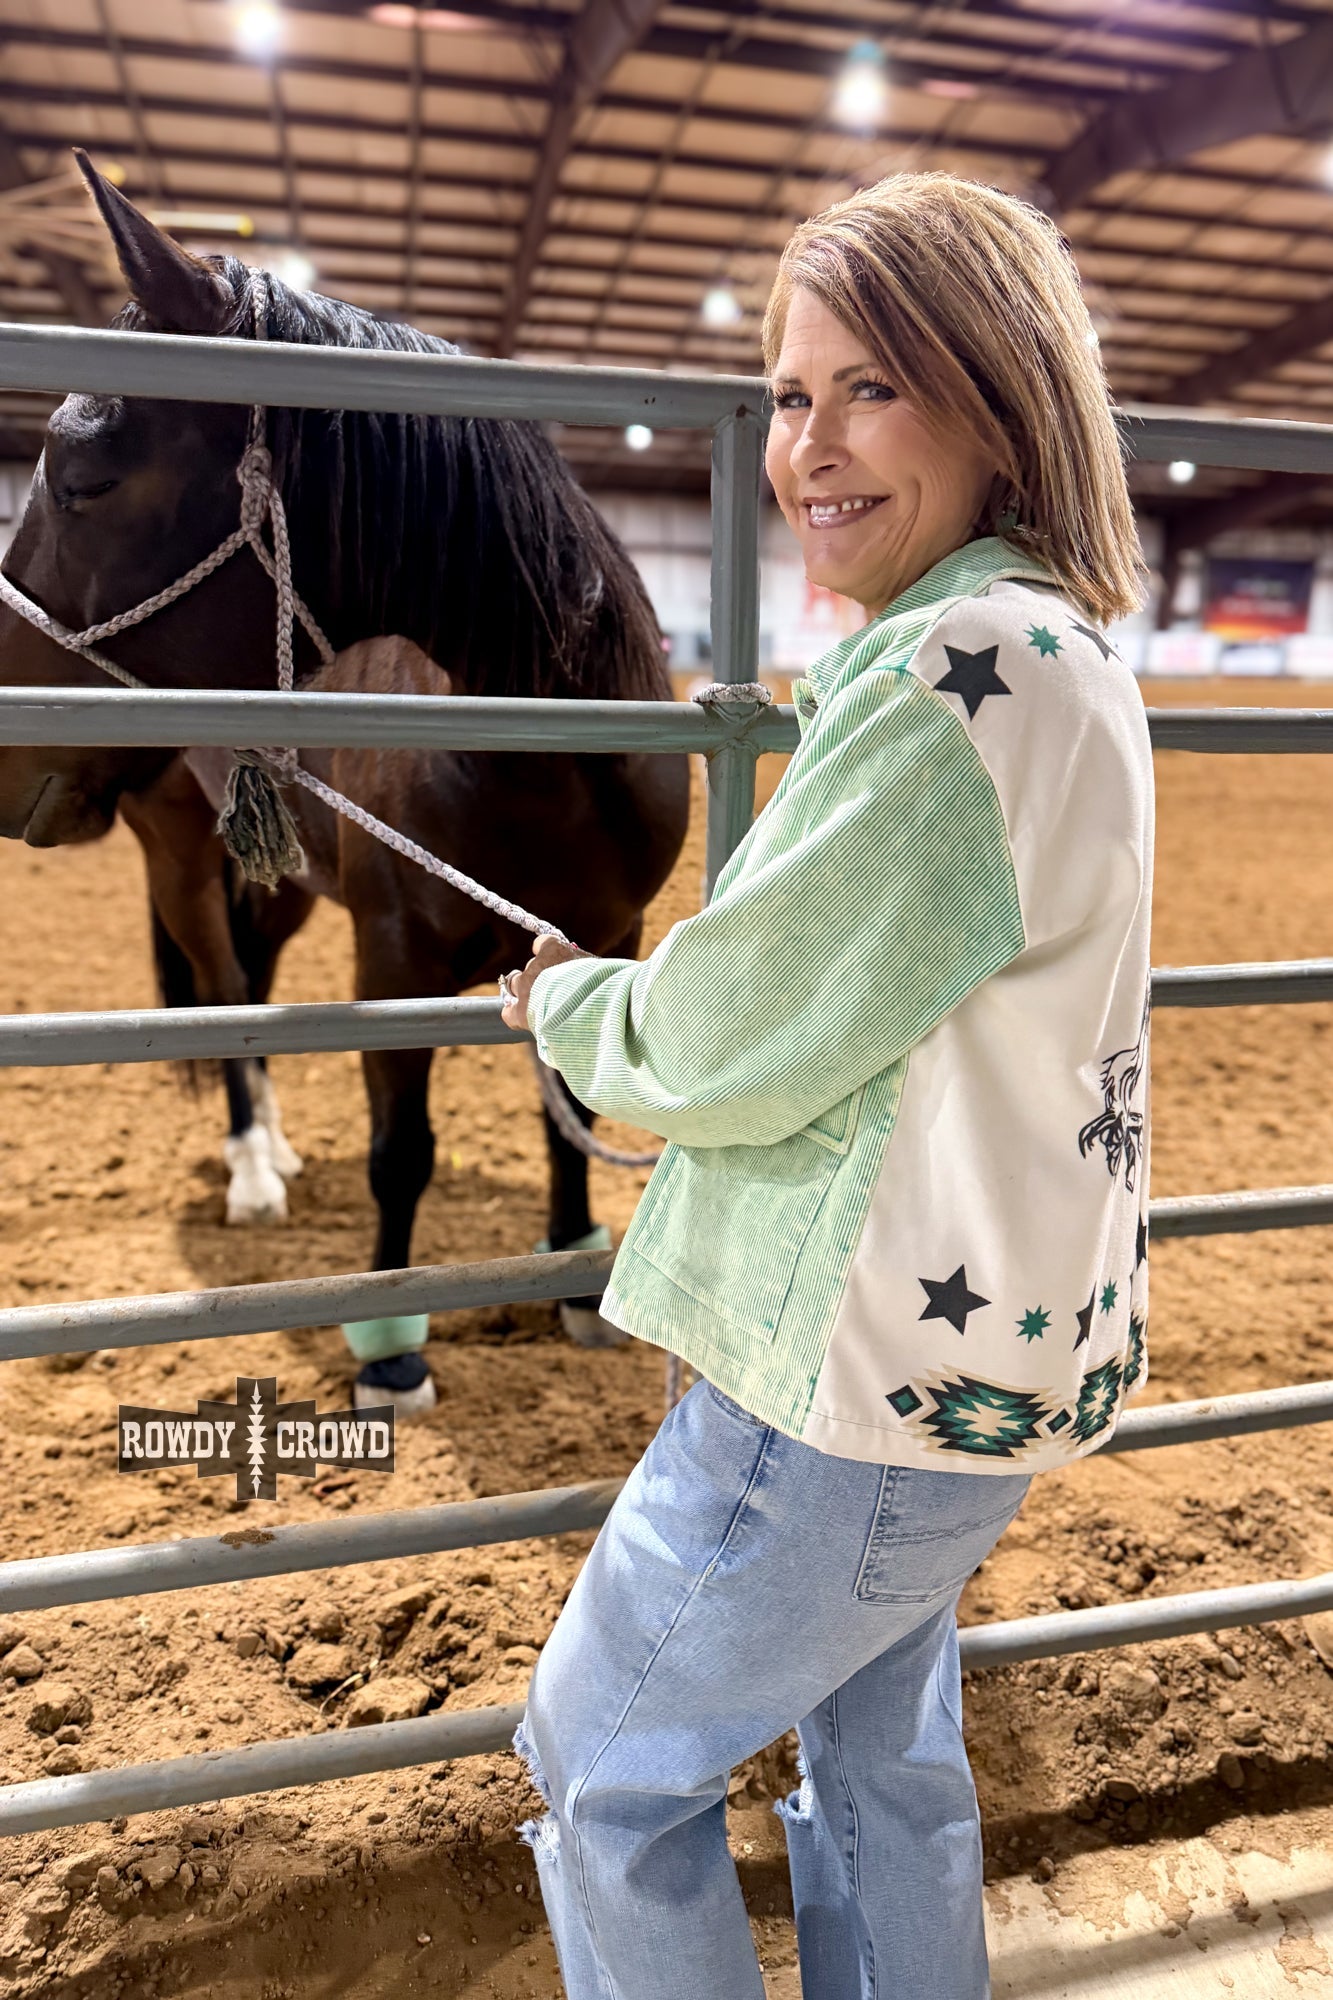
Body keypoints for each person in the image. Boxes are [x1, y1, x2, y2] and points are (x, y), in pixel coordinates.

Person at [499, 171, 1152, 2000]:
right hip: (974, 1370)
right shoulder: (1054, 647)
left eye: (872, 387)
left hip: (842, 1384)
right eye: (791, 395)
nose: (807, 445)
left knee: (599, 1768)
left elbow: (729, 1031)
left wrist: (574, 1007)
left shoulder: (955, 677)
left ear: (997, 401)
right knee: (884, 1770)